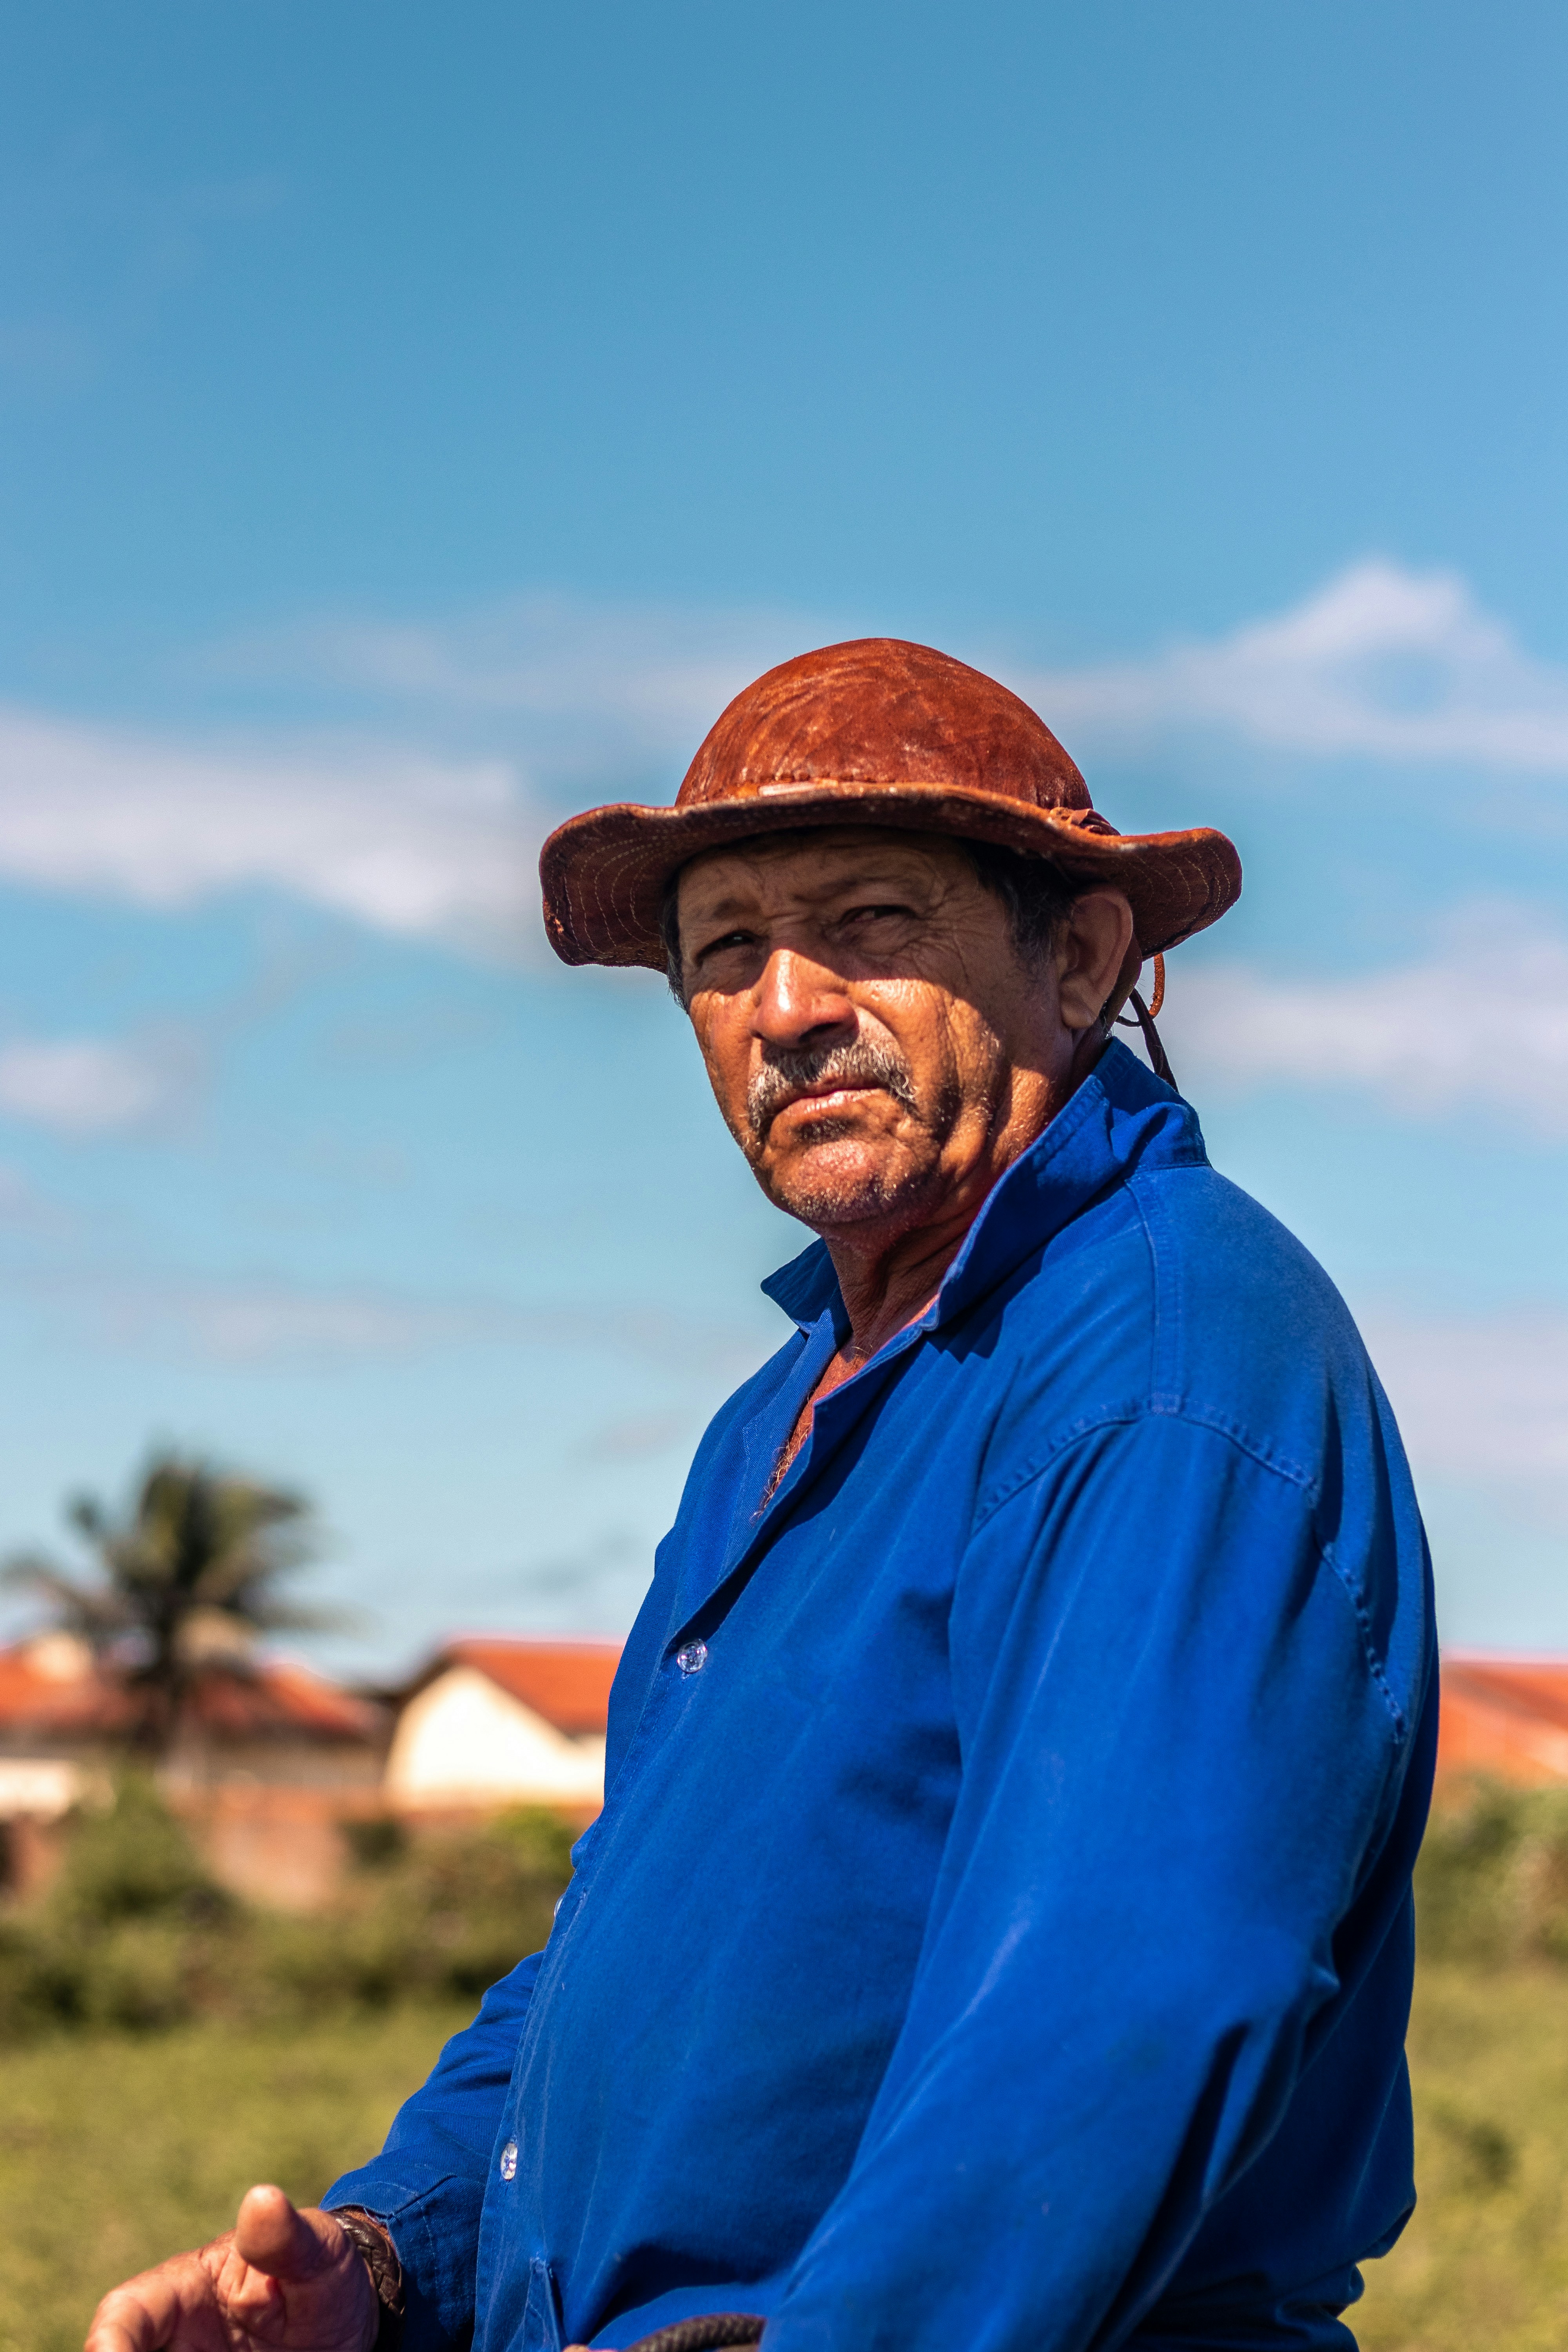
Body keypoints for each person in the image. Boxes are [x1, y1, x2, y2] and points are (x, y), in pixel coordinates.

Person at [88, 640, 1436, 2352]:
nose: (788, 1006)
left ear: (1082, 957)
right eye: (726, 952)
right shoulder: (774, 1425)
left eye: (871, 922)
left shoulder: (1163, 1352)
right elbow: (630, 1947)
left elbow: (1117, 2005)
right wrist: (390, 2258)